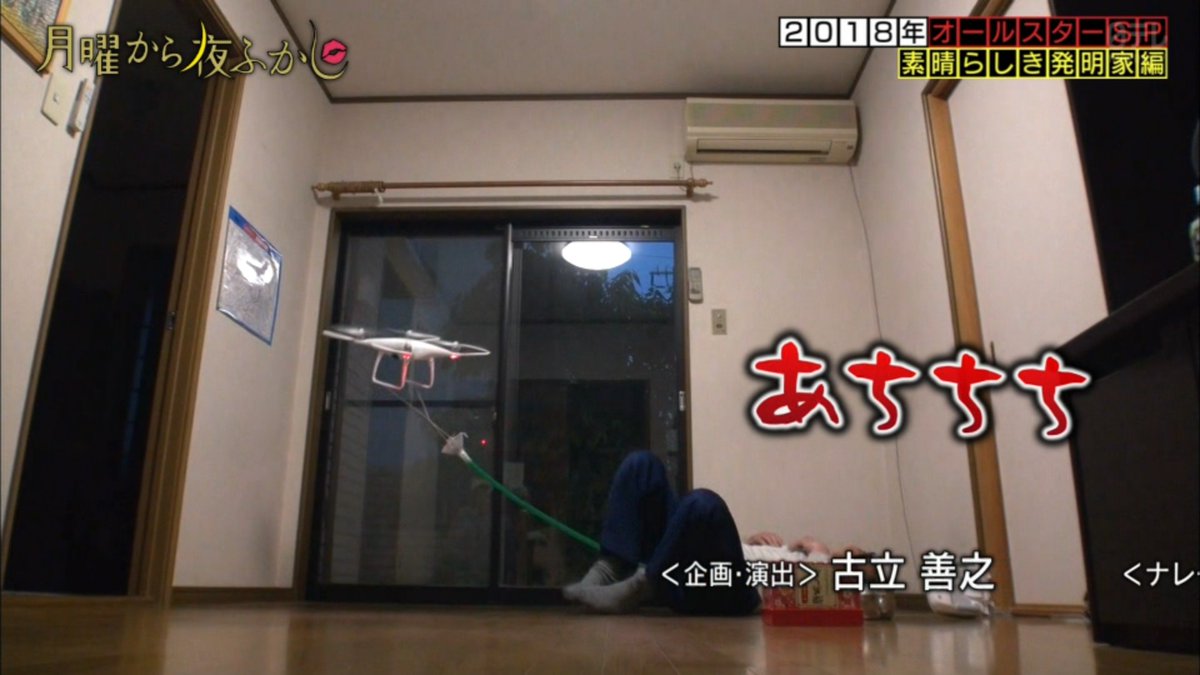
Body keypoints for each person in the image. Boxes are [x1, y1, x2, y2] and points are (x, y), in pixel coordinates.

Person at [563, 450, 869, 615]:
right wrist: (746, 541)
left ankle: (642, 587)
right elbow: (736, 554)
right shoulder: (797, 552)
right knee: (641, 464)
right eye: (855, 552)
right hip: (697, 565)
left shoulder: (824, 573)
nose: (852, 553)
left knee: (703, 503)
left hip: (729, 594)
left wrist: (821, 553)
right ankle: (609, 568)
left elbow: (834, 596)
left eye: (858, 561)